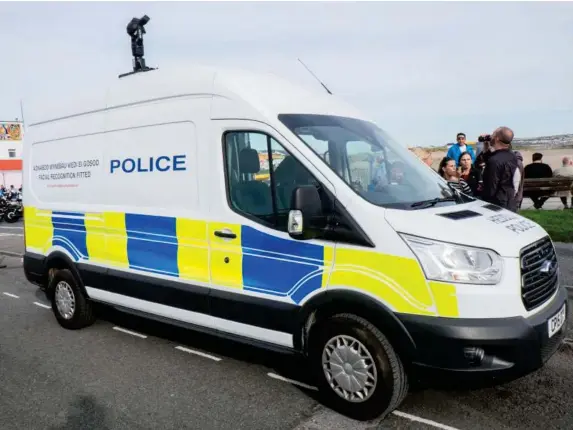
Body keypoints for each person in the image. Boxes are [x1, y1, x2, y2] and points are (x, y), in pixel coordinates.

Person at [481, 126, 519, 211]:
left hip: (497, 203)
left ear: (497, 138)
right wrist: (486, 147)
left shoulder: (494, 161)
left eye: (493, 134)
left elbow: (491, 187)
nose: (491, 136)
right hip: (509, 199)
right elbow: (493, 157)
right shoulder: (512, 156)